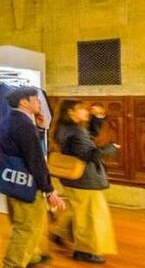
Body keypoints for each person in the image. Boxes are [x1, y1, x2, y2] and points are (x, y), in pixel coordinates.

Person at [1, 87, 66, 268]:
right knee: (27, 227)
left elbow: (23, 150)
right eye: (36, 99)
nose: (39, 103)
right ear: (24, 102)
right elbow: (35, 159)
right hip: (27, 183)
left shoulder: (10, 120)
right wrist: (49, 189)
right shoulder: (22, 124)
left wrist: (38, 129)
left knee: (25, 223)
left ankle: (33, 256)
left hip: (13, 180)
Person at [50, 100, 118, 264]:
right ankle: (84, 251)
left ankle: (60, 233)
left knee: (78, 210)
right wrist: (111, 148)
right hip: (85, 180)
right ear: (71, 112)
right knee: (90, 217)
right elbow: (90, 154)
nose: (87, 112)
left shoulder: (66, 129)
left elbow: (88, 137)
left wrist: (97, 118)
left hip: (73, 179)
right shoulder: (76, 132)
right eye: (82, 110)